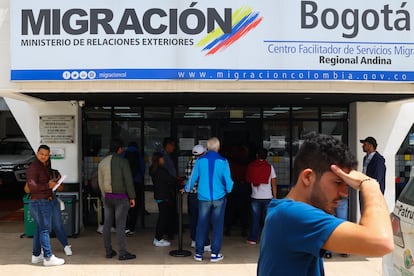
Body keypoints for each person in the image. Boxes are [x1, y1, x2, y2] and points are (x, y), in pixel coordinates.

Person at [257, 133, 393, 275]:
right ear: (308, 177)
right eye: (338, 182)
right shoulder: (293, 214)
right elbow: (381, 242)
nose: (344, 193)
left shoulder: (281, 211)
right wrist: (370, 185)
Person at [185, 137, 234, 262]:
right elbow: (228, 181)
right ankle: (215, 254)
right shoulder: (223, 161)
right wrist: (228, 190)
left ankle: (198, 253)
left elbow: (193, 178)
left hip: (203, 197)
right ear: (218, 147)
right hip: (219, 197)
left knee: (201, 224)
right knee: (217, 225)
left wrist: (187, 188)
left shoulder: (200, 161)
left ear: (207, 147)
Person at [26, 144, 65, 266]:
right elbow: (32, 187)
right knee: (44, 229)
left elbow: (45, 183)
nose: (43, 156)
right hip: (39, 201)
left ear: (49, 156)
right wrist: (48, 186)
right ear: (37, 154)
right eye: (41, 154)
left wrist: (54, 183)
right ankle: (48, 257)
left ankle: (36, 255)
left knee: (40, 228)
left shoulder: (45, 167)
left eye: (46, 155)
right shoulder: (34, 167)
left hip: (43, 200)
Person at [98, 139, 136, 261]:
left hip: (107, 197)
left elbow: (100, 182)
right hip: (121, 198)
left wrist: (104, 196)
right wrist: (132, 197)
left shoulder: (102, 163)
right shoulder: (123, 161)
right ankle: (122, 252)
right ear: (119, 149)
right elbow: (128, 180)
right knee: (120, 225)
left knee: (107, 224)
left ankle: (108, 251)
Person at [25, 167, 73, 258]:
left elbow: (61, 188)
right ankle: (43, 252)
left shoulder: (54, 172)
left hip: (52, 199)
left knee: (57, 225)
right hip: (39, 200)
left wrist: (57, 183)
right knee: (43, 227)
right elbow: (27, 190)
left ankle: (65, 246)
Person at [245, 148, 277, 245]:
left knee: (255, 219)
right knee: (268, 219)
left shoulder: (250, 166)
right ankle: (269, 239)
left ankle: (253, 239)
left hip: (255, 197)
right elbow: (274, 184)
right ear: (266, 156)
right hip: (268, 197)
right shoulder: (270, 167)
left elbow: (247, 179)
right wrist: (275, 197)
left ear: (257, 155)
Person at [184, 144, 210, 251]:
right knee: (203, 219)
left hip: (192, 195)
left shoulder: (190, 162)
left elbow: (187, 177)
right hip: (202, 195)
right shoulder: (203, 163)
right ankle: (205, 242)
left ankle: (194, 240)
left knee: (193, 218)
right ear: (203, 153)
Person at [149, 152, 177, 247]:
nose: (164, 160)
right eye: (162, 158)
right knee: (163, 218)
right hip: (164, 196)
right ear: (159, 159)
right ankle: (158, 238)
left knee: (163, 217)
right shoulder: (161, 171)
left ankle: (159, 237)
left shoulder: (153, 169)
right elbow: (170, 180)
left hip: (159, 195)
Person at [122, 141, 146, 235]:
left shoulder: (124, 154)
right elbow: (143, 168)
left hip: (125, 183)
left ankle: (124, 226)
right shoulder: (139, 154)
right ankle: (131, 227)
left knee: (124, 205)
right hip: (136, 182)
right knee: (135, 205)